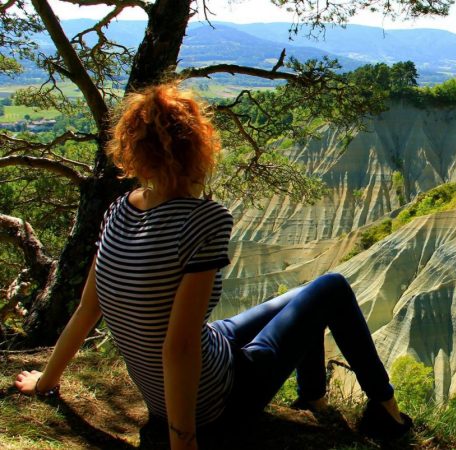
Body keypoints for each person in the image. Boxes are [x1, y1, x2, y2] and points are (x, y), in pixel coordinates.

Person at [13, 83, 411, 449]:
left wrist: (46, 383)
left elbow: (89, 308)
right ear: (199, 147)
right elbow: (179, 345)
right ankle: (386, 410)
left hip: (191, 366)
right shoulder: (204, 219)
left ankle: (312, 396)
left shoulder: (120, 210)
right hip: (218, 397)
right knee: (333, 286)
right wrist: (183, 442)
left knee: (305, 296)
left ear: (132, 148)